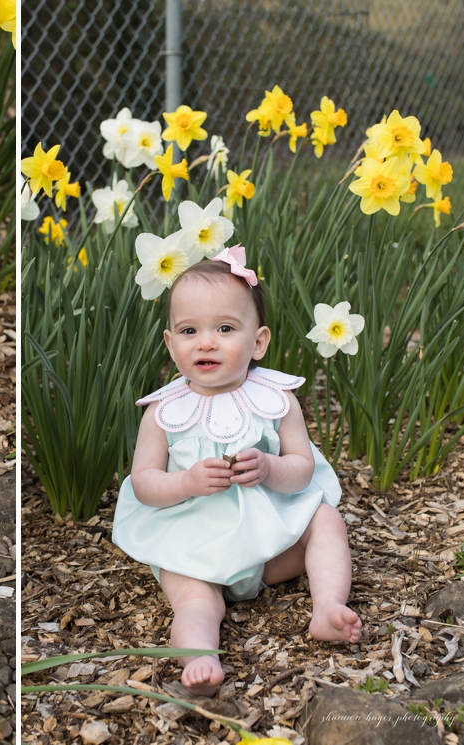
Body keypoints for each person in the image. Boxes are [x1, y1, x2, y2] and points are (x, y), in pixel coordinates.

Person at [111, 248, 361, 696]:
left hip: (267, 550)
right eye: (189, 331)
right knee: (194, 602)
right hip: (191, 550)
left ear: (258, 342)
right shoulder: (164, 413)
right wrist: (186, 482)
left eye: (225, 329)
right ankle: (199, 655)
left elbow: (302, 471)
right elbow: (144, 484)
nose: (206, 342)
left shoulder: (277, 400)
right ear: (170, 343)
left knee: (326, 520)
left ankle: (327, 605)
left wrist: (269, 468)